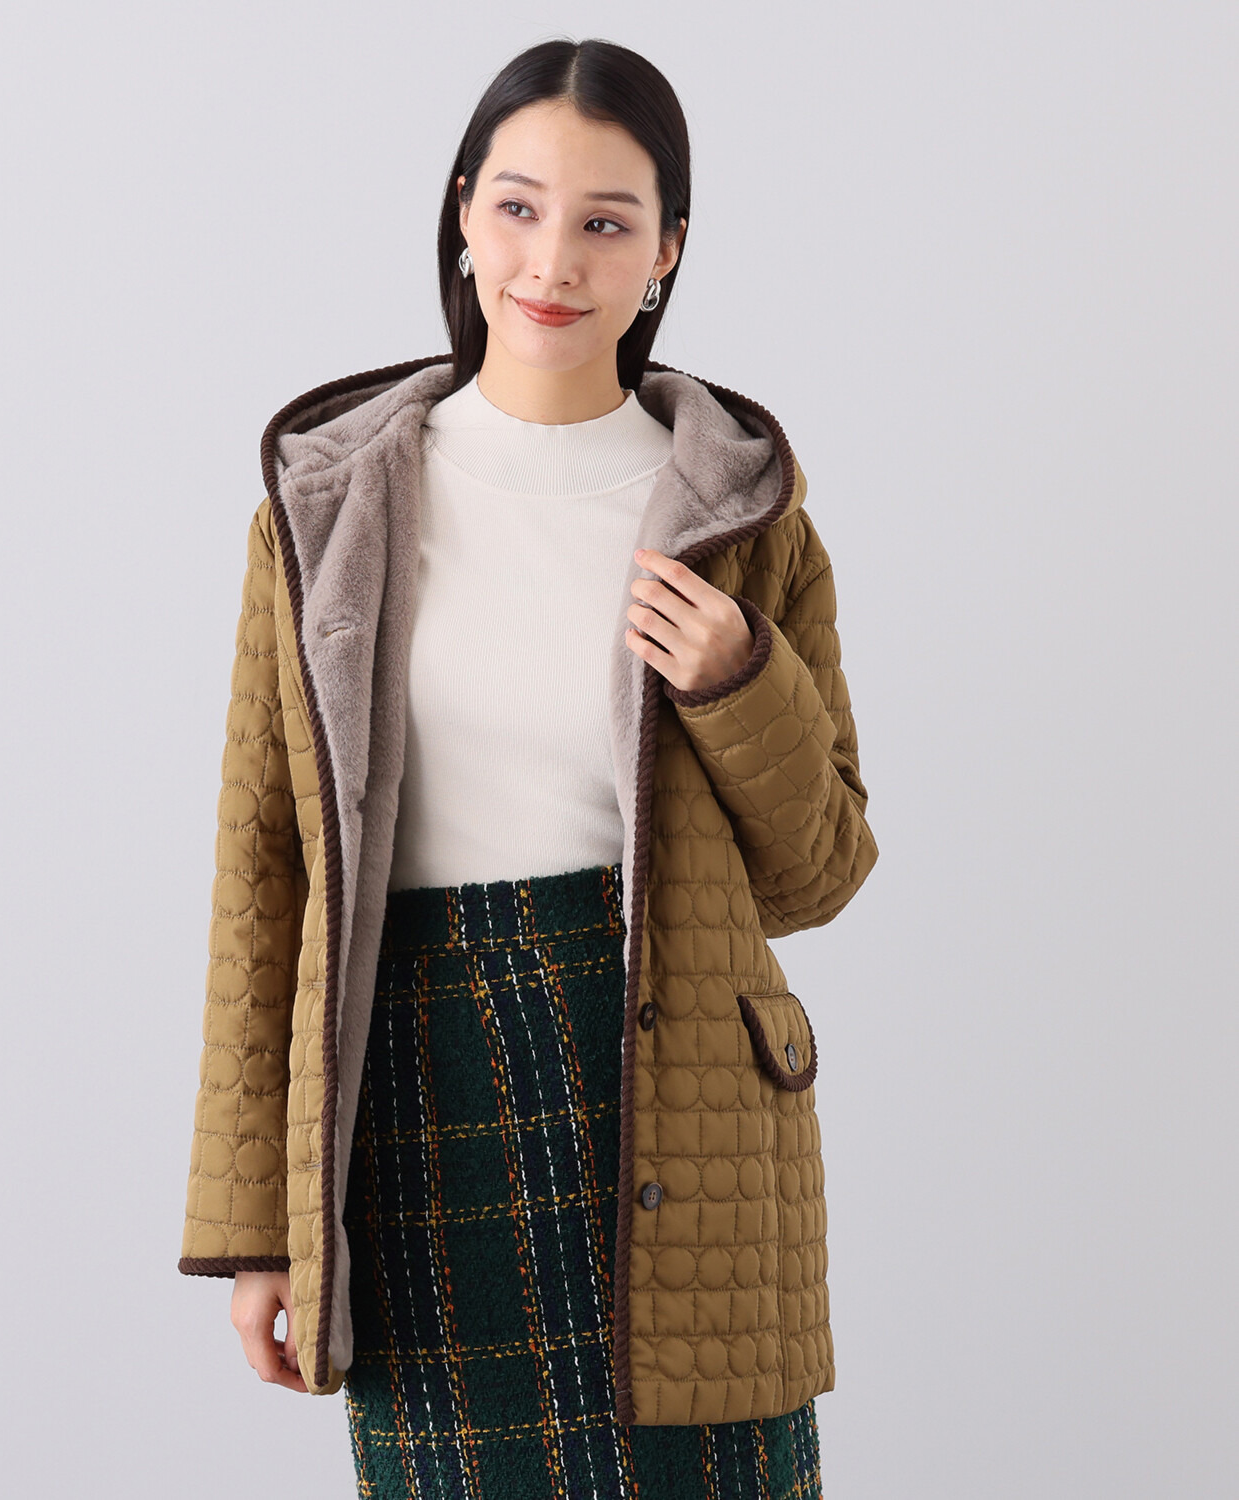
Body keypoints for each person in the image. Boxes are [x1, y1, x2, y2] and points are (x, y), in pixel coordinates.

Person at [177, 36, 878, 1500]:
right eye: (517, 207)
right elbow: (265, 869)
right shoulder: (331, 510)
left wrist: (740, 679)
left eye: (607, 222)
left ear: (666, 251)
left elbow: (817, 876)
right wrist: (254, 1226)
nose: (553, 261)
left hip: (679, 1098)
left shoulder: (745, 516)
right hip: (416, 1089)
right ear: (462, 213)